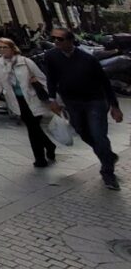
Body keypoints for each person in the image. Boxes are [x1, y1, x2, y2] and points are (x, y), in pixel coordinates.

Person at [44, 27, 124, 190]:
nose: (56, 42)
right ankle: (108, 155)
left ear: (70, 41)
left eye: (60, 39)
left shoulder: (88, 59)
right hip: (72, 102)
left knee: (98, 135)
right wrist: (52, 99)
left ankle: (108, 172)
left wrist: (114, 106)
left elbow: (105, 83)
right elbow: (51, 78)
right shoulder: (51, 56)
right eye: (54, 39)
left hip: (95, 101)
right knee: (83, 132)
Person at [0, 38, 56, 167]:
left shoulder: (25, 62)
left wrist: (53, 98)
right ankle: (49, 145)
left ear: (12, 48)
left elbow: (42, 78)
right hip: (17, 101)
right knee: (33, 127)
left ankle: (40, 159)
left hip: (32, 98)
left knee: (32, 128)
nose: (2, 50)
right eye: (0, 48)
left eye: (5, 47)